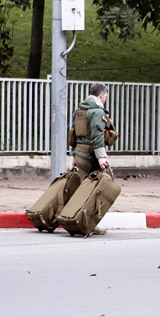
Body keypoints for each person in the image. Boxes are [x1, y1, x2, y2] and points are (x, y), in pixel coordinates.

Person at [70, 82, 113, 235]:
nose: (106, 98)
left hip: (79, 155)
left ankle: (79, 222)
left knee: (84, 191)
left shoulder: (80, 110)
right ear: (101, 95)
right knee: (97, 191)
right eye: (106, 96)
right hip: (90, 157)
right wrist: (101, 157)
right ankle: (90, 224)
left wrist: (73, 155)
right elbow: (97, 136)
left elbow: (73, 134)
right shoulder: (97, 112)